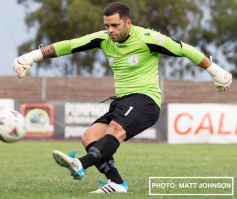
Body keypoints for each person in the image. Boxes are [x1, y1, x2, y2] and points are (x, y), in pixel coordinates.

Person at [12, 2, 232, 194]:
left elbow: (185, 50)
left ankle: (80, 163)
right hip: (122, 101)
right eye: (107, 25)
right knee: (89, 137)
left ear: (128, 23)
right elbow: (70, 45)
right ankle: (116, 183)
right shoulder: (103, 39)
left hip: (145, 100)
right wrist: (32, 56)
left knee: (114, 131)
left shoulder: (148, 38)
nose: (110, 30)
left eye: (115, 25)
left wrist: (216, 71)